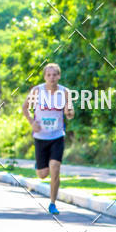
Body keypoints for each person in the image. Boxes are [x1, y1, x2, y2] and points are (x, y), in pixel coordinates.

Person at [22, 63, 74, 216]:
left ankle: (52, 203)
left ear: (59, 76)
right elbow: (25, 108)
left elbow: (70, 113)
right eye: (48, 75)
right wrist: (32, 122)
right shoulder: (37, 91)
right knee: (42, 174)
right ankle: (39, 164)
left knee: (55, 168)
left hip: (57, 135)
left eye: (54, 75)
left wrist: (69, 112)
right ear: (45, 77)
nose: (52, 78)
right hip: (40, 136)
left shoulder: (65, 92)